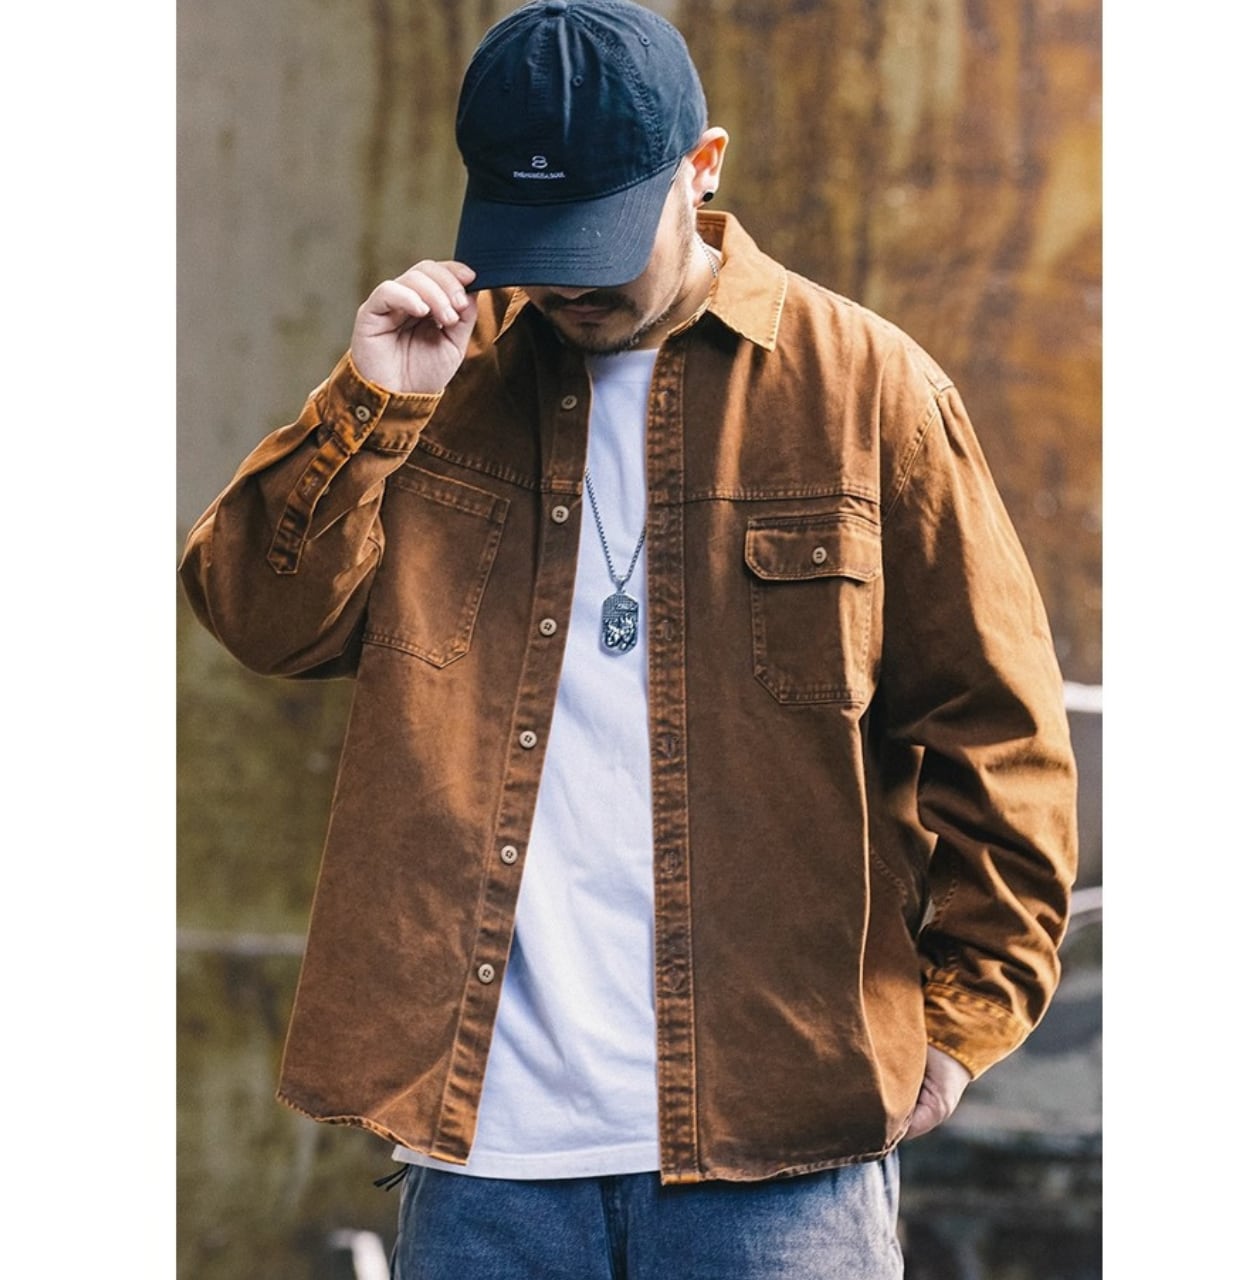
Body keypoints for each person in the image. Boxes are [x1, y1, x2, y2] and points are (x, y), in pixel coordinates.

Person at [180, 1, 1078, 1275]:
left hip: (781, 1153)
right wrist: (371, 402)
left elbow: (1000, 730)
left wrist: (957, 1020)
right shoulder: (439, 386)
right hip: (486, 1166)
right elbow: (258, 618)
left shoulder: (866, 391)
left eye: (597, 238)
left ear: (699, 169)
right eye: (532, 240)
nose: (565, 282)